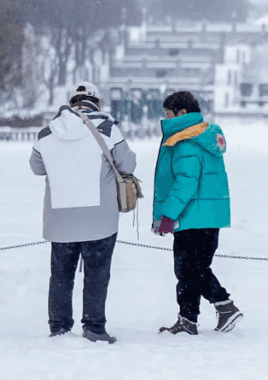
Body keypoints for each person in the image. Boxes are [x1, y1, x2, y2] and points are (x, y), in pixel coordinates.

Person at [30, 81, 137, 343]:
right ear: (96, 103)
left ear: (71, 103)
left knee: (61, 275)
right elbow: (128, 163)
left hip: (60, 218)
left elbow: (36, 167)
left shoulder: (47, 132)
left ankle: (59, 326)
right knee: (97, 274)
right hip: (99, 218)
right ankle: (94, 327)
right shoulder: (108, 129)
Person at [153, 91, 242, 335]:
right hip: (209, 216)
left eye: (168, 113)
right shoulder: (204, 137)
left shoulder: (185, 142)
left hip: (191, 217)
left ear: (181, 113)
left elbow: (185, 183)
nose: (166, 118)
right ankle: (188, 320)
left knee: (189, 270)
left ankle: (224, 307)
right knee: (195, 269)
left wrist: (167, 216)